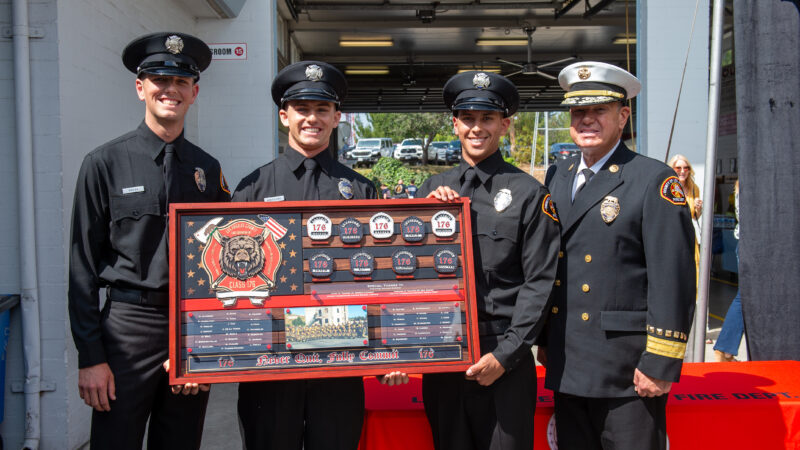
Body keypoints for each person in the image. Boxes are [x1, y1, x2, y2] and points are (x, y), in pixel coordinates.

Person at [232, 60, 407, 450]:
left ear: (336, 117)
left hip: (341, 364)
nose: (312, 118)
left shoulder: (361, 190)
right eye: (302, 109)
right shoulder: (252, 188)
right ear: (284, 116)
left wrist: (388, 352)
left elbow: (382, 279)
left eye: (322, 109)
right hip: (271, 366)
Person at [68, 32, 230, 449]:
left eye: (181, 82)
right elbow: (81, 268)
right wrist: (91, 357)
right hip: (127, 328)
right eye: (160, 80)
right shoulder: (103, 163)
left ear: (194, 93)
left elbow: (222, 265)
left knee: (180, 441)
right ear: (140, 88)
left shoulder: (208, 170)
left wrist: (206, 342)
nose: (170, 90)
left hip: (190, 325)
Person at [539, 61, 695, 450]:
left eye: (599, 110)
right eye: (578, 111)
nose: (586, 119)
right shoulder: (558, 175)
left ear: (623, 116)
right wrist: (545, 339)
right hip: (568, 362)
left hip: (627, 371)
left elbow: (672, 277)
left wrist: (660, 363)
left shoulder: (652, 179)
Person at [419, 71, 561, 450]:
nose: (477, 127)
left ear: (504, 125)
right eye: (468, 118)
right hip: (443, 354)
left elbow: (540, 282)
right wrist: (423, 219)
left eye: (487, 118)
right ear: (455, 124)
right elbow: (408, 275)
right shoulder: (430, 191)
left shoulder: (529, 193)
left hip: (503, 357)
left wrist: (506, 355)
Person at [714, 180, 744, 362]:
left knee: (745, 296)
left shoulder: (742, 186)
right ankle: (724, 349)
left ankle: (725, 349)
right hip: (751, 243)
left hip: (746, 242)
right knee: (745, 296)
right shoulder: (750, 186)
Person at [669, 154, 703, 279]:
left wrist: (699, 209)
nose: (683, 171)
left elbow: (695, 216)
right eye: (678, 168)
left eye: (686, 168)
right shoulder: (667, 188)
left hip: (689, 235)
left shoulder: (694, 188)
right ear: (672, 169)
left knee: (694, 270)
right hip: (672, 236)